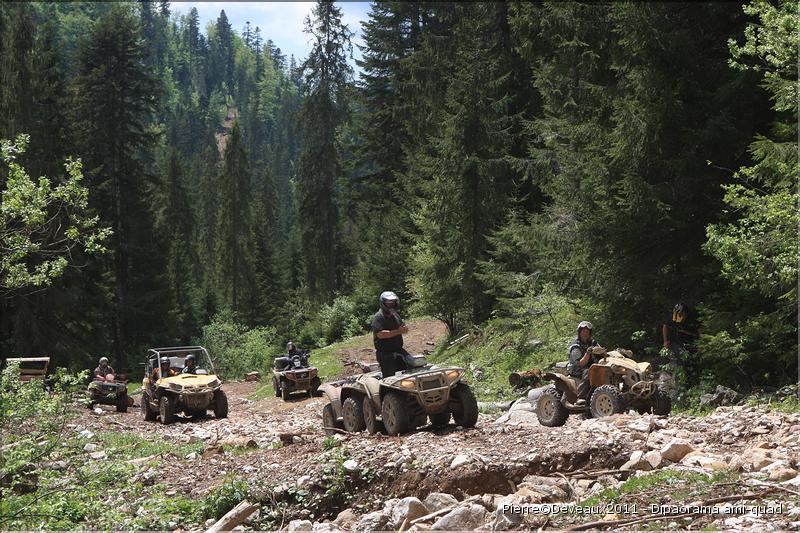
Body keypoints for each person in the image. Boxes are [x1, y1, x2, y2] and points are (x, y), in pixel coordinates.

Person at [371, 291, 410, 378]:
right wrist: (398, 331)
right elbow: (380, 334)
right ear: (383, 303)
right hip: (385, 354)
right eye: (389, 302)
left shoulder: (395, 315)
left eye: (393, 302)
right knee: (390, 379)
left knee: (410, 371)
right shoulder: (378, 317)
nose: (391, 304)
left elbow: (403, 328)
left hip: (399, 351)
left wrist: (404, 329)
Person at [567, 321, 599, 405]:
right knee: (588, 372)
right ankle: (580, 397)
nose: (585, 333)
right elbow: (580, 363)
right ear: (579, 332)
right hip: (577, 369)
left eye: (587, 332)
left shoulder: (592, 342)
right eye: (583, 331)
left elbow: (601, 351)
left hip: (589, 366)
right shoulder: (575, 345)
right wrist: (588, 353)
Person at [661, 303, 699, 369]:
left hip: (691, 341)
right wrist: (665, 340)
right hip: (676, 341)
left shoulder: (692, 318)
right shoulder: (672, 317)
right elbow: (665, 326)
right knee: (680, 360)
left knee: (693, 360)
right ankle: (680, 375)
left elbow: (700, 331)